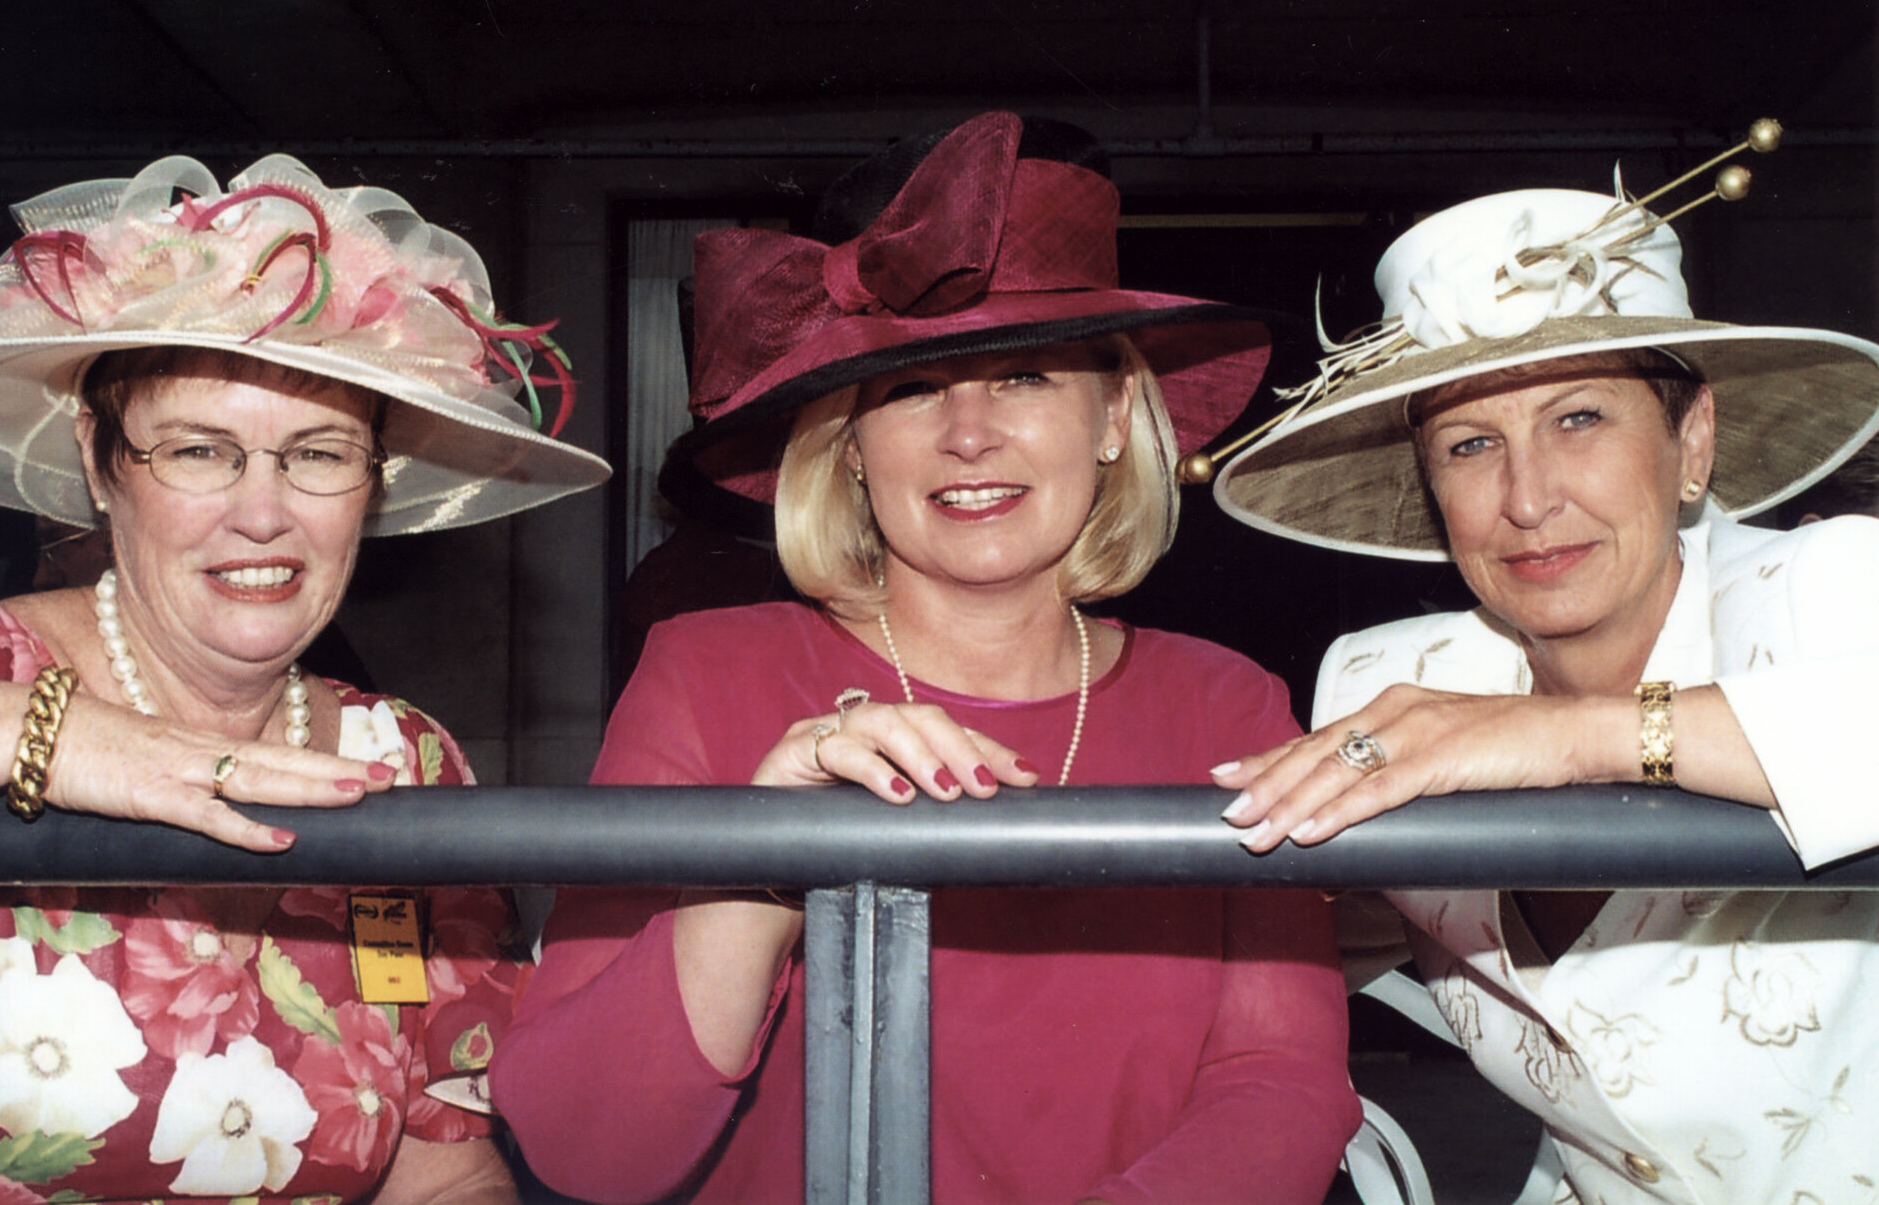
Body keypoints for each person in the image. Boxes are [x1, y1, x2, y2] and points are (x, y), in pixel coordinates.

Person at [491, 112, 1362, 1205]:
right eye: (908, 389)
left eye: (1025, 377)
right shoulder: (702, 674)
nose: (966, 434)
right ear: (848, 447)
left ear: (1114, 414)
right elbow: (586, 1149)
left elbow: (1278, 1088)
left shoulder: (1228, 701)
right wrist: (767, 855)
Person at [0, 155, 610, 1203]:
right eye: (200, 450)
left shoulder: (403, 758)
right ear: (100, 459)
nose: (263, 515)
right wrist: (65, 736)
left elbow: (439, 1170)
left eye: (316, 453)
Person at [1212, 163, 1879, 1200]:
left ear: (1689, 439)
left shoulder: (1825, 586)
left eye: (1578, 419)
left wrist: (1564, 736)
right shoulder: (1387, 681)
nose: (1525, 499)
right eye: (1469, 443)